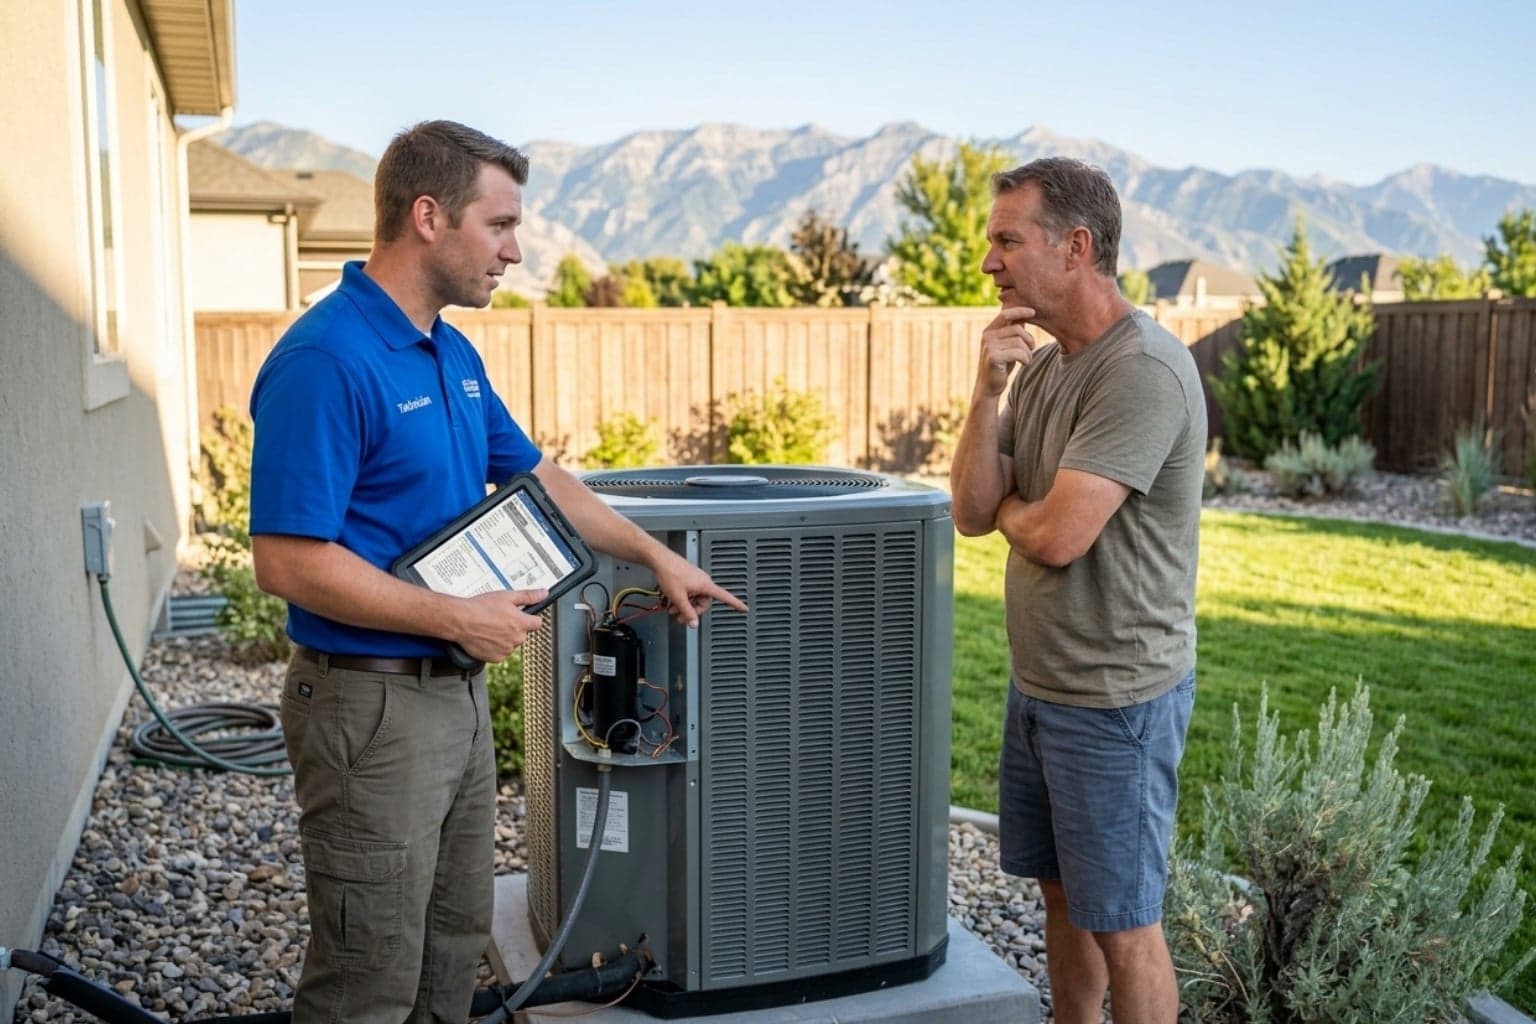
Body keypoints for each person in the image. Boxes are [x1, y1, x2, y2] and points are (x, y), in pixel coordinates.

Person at [249, 120, 748, 1024]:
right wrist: (454, 618)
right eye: (502, 225)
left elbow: (538, 477)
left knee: (450, 948)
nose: (515, 252)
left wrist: (654, 554)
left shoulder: (449, 349)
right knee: (367, 976)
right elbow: (286, 559)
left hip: (455, 694)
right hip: (368, 704)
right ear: (428, 217)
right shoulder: (327, 360)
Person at [948, 157, 1206, 1024]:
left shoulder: (1142, 371)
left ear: (1076, 247)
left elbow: (1060, 536)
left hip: (1115, 700)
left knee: (1126, 926)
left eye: (1007, 240)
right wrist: (985, 393)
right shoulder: (1045, 367)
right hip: (1042, 688)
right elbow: (972, 511)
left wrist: (1018, 507)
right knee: (1062, 898)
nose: (989, 261)